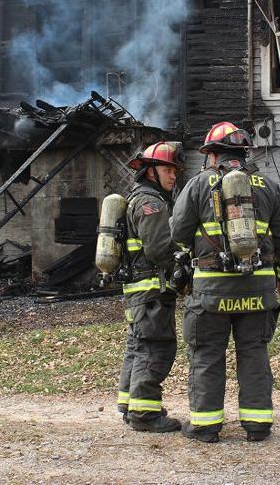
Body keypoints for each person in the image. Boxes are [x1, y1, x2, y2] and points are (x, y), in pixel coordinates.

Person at [170, 121, 280, 443]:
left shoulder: (199, 184)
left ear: (212, 155)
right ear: (245, 153)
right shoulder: (267, 186)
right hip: (259, 288)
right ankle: (258, 425)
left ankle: (206, 426)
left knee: (206, 355)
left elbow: (178, 233)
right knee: (254, 354)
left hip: (211, 292)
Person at [115, 141, 185, 433]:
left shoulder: (138, 197)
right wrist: (183, 265)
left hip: (138, 292)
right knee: (156, 348)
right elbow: (159, 250)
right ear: (151, 172)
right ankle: (145, 414)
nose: (173, 176)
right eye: (168, 170)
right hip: (152, 291)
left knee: (138, 347)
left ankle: (130, 405)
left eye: (174, 171)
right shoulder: (151, 203)